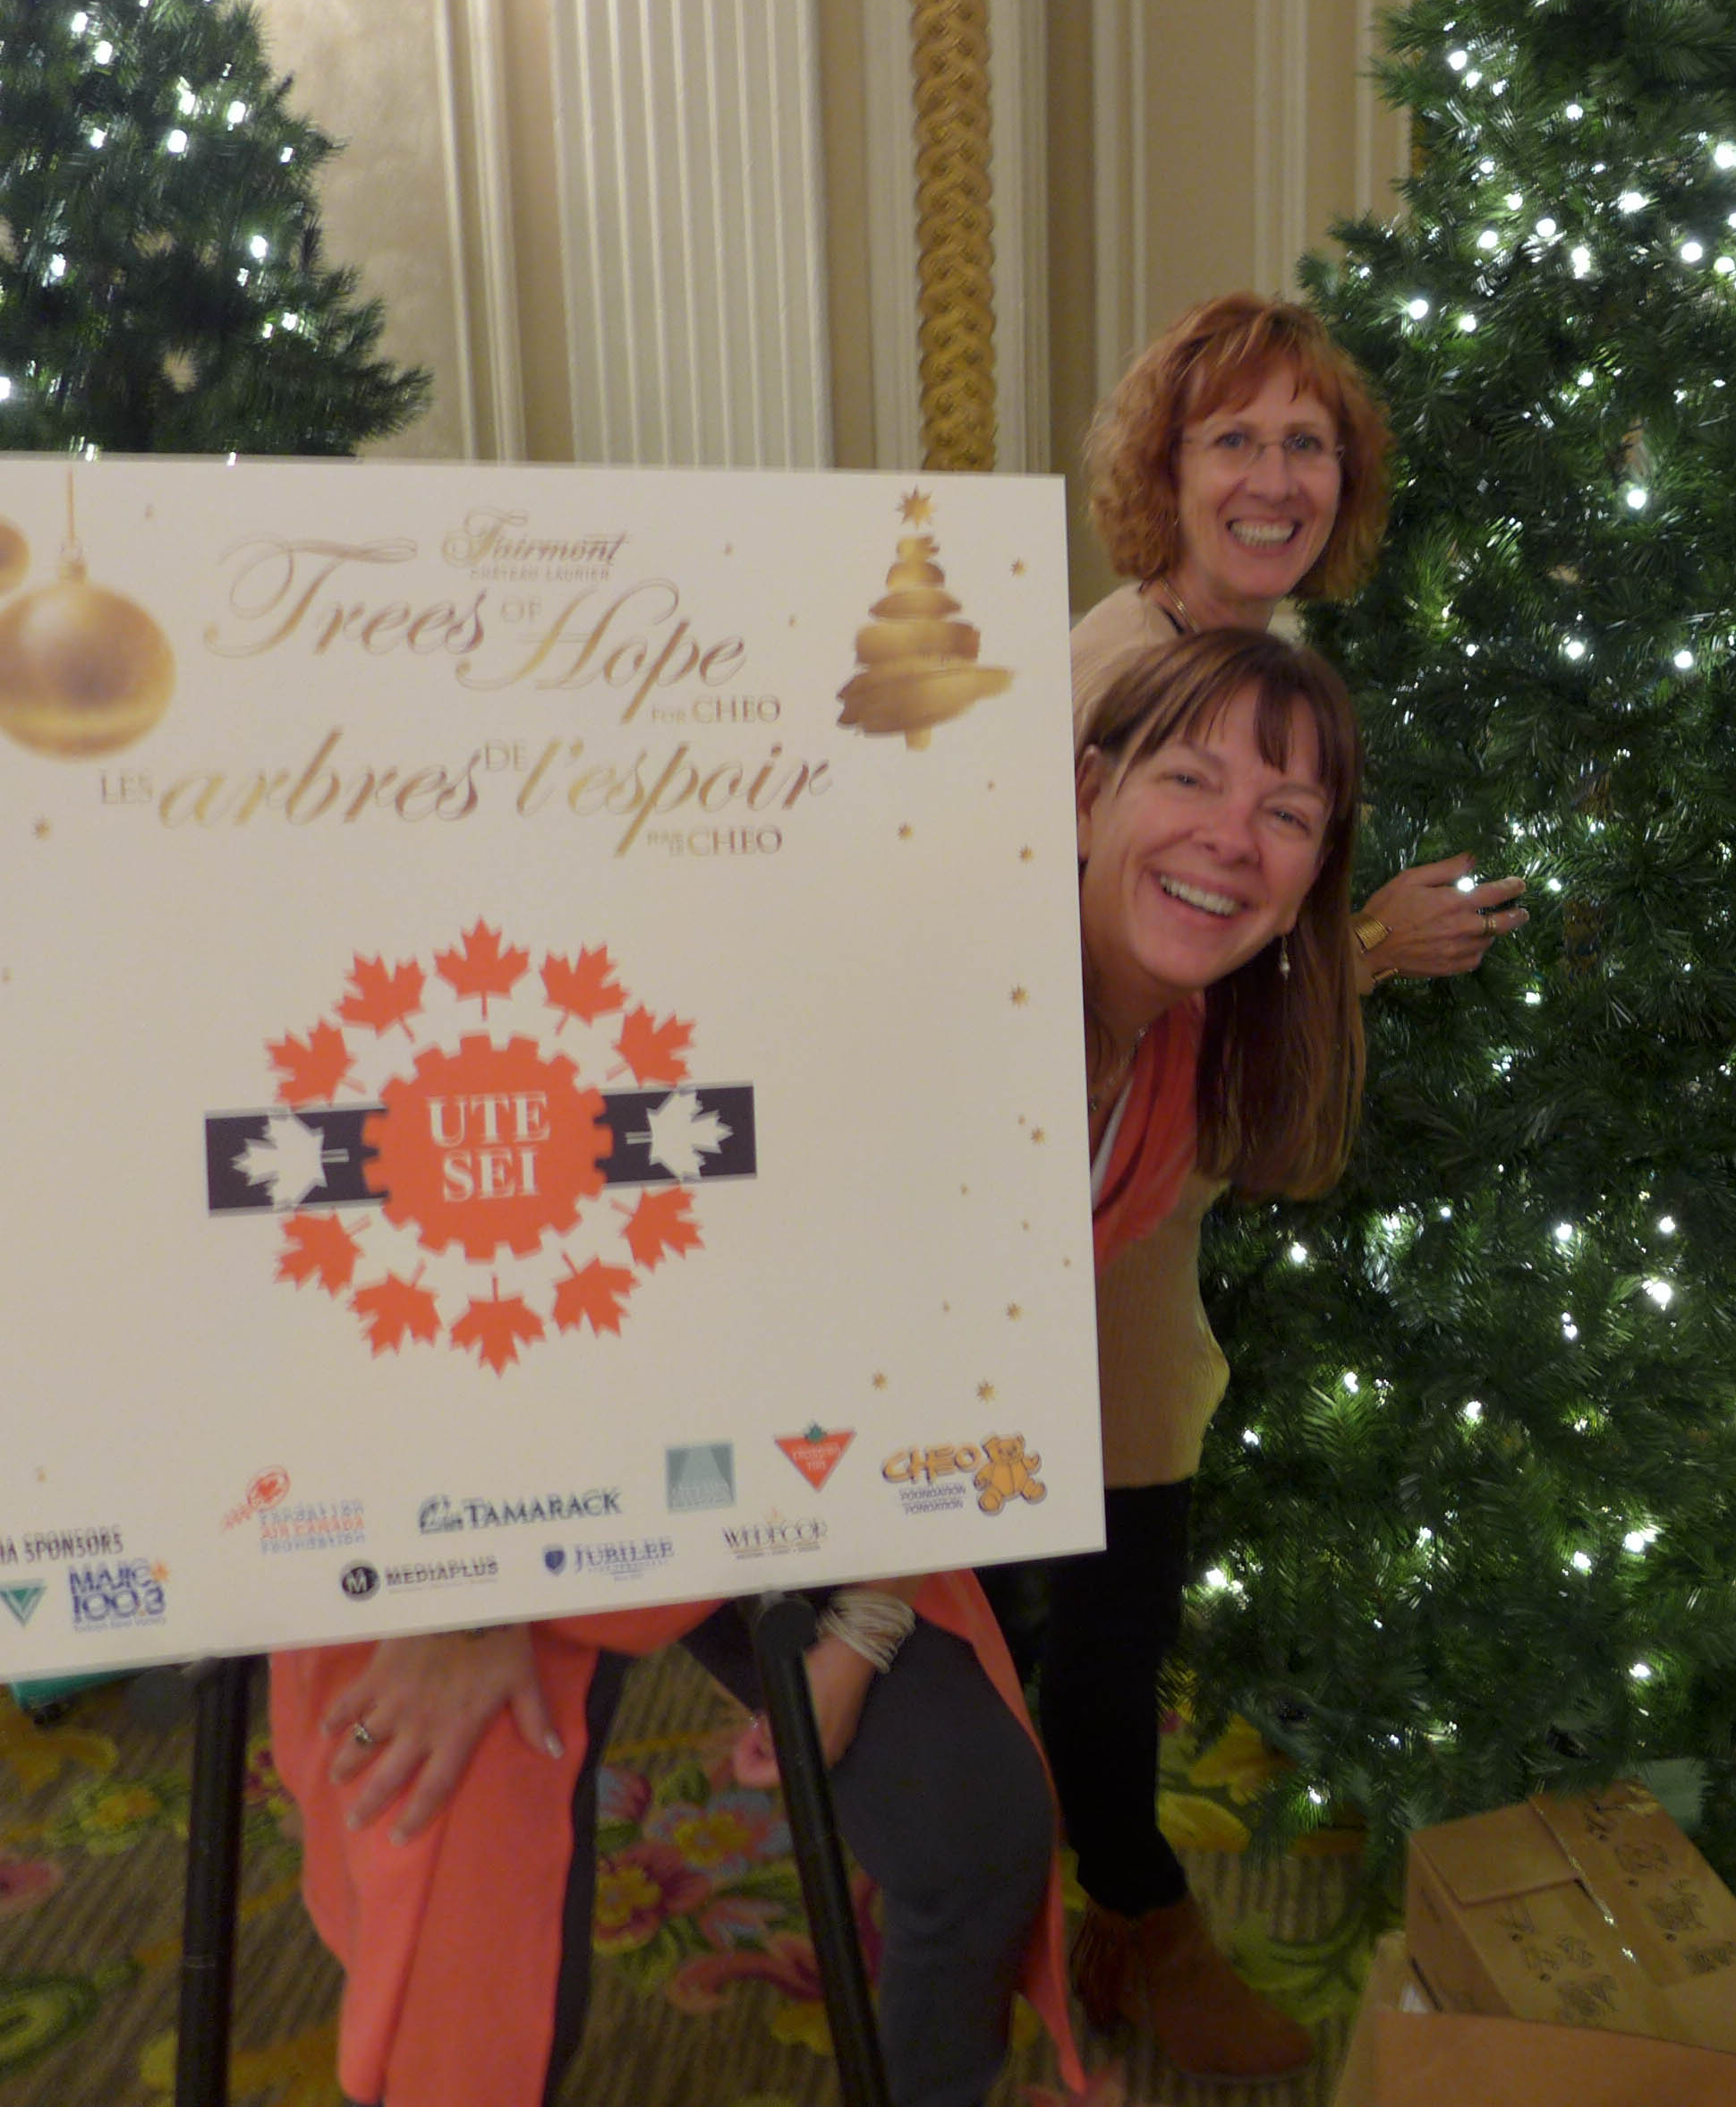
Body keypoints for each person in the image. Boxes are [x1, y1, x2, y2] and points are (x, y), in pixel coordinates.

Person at [266, 627, 1363, 2107]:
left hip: (796, 1482)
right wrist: (463, 1578)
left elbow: (941, 1382)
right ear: (1087, 786)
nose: (1231, 837)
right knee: (484, 1952)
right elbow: (537, 1248)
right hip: (525, 1466)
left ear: (1312, 878)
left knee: (977, 1829)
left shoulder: (1168, 1070)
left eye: (1287, 816)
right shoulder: (893, 969)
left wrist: (855, 1625)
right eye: (1191, 777)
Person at [1038, 295, 1512, 2080]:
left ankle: (1086, 1920)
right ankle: (1125, 1932)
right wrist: (1367, 952)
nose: (1272, 475)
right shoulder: (1112, 675)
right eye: (1232, 437)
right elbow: (1121, 990)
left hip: (1149, 1244)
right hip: (1062, 1270)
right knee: (1094, 1616)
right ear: (1163, 467)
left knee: (1114, 1609)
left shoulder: (1264, 654)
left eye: (1307, 443)